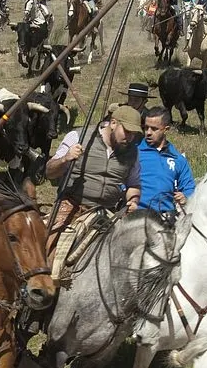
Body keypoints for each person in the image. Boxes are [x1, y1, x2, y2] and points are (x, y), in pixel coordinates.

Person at [45, 105, 142, 273]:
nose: (130, 137)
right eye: (127, 131)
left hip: (108, 212)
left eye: (134, 134)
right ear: (113, 123)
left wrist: (133, 201)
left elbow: (133, 184)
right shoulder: (78, 137)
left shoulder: (132, 152)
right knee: (46, 248)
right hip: (72, 207)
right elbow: (49, 172)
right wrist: (65, 159)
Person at [138, 107, 196, 213]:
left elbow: (189, 187)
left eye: (154, 129)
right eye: (146, 128)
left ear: (166, 129)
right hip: (137, 214)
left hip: (166, 217)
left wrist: (185, 196)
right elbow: (120, 179)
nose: (148, 132)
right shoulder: (134, 153)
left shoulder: (178, 159)